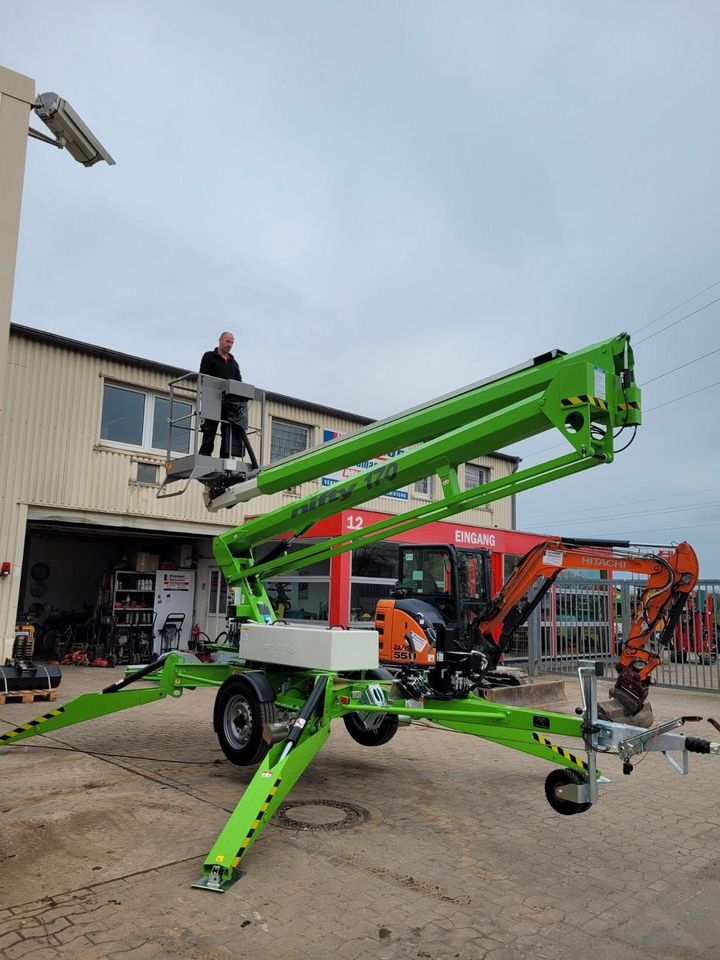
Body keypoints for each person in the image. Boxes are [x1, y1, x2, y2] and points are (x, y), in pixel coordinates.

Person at [198, 331, 248, 458]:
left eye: (232, 342)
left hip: (229, 403)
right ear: (220, 340)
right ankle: (204, 456)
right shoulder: (209, 356)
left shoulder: (234, 362)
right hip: (212, 398)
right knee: (209, 430)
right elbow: (203, 376)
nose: (230, 344)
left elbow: (239, 382)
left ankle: (225, 457)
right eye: (227, 341)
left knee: (228, 431)